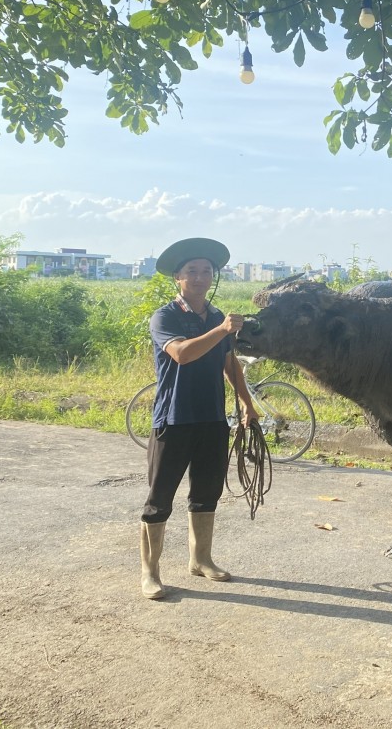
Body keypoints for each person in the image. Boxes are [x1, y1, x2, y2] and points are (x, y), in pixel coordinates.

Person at [139, 237, 257, 600]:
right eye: (193, 271)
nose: (201, 277)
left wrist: (245, 402)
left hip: (211, 419)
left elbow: (228, 362)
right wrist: (221, 330)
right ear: (178, 277)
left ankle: (201, 559)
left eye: (207, 271)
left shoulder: (216, 316)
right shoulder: (165, 316)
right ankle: (150, 572)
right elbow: (181, 354)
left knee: (207, 492)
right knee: (160, 497)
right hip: (173, 419)